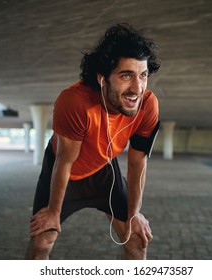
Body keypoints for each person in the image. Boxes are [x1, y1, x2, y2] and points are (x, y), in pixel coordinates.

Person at [27, 23, 161, 260]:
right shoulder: (75, 102)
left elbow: (137, 164)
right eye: (126, 75)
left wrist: (134, 214)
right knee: (42, 240)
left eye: (143, 75)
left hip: (104, 169)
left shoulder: (148, 105)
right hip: (66, 171)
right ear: (102, 78)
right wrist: (53, 212)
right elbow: (65, 161)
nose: (137, 88)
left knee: (137, 239)